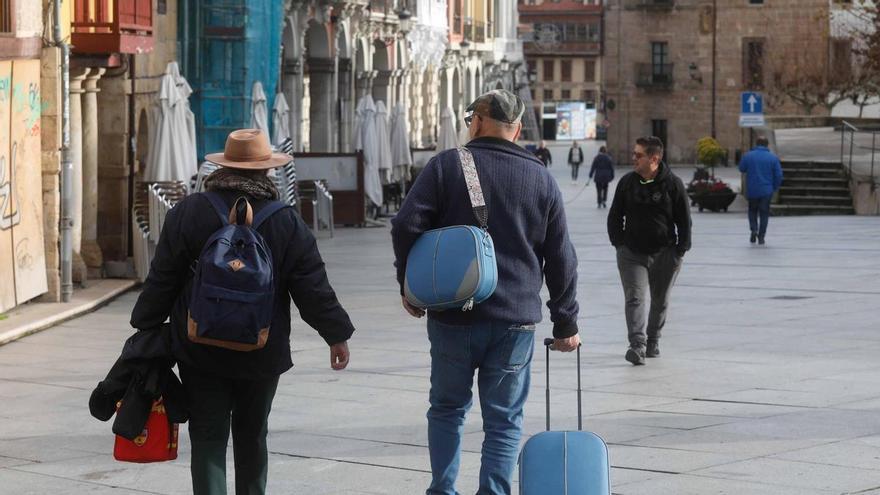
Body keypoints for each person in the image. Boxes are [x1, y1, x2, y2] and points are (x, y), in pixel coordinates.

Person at [130, 129, 355, 495]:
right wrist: (336, 335)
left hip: (198, 345)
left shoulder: (189, 212)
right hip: (262, 346)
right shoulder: (286, 220)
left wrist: (145, 325)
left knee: (206, 435)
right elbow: (312, 286)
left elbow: (163, 277)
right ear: (267, 172)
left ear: (221, 168)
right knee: (252, 435)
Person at [391, 90, 580, 495]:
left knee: (446, 409)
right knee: (505, 419)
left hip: (452, 313)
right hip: (516, 320)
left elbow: (405, 225)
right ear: (516, 130)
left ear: (477, 121)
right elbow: (561, 256)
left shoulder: (446, 166)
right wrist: (566, 321)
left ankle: (442, 490)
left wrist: (408, 286)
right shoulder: (541, 178)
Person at [607, 136, 690, 366]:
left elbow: (684, 221)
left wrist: (680, 251)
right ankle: (637, 345)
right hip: (632, 253)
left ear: (654, 158)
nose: (633, 158)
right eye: (634, 154)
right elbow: (615, 216)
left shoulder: (673, 184)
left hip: (665, 253)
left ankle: (653, 339)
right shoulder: (627, 183)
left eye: (638, 155)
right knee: (634, 298)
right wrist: (619, 244)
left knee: (660, 300)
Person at [738, 136, 783, 245]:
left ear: (756, 144)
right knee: (764, 213)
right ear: (767, 145)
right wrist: (774, 187)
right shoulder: (773, 158)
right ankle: (761, 236)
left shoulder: (748, 156)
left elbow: (741, 168)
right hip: (766, 190)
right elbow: (779, 175)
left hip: (753, 189)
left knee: (752, 210)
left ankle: (754, 229)